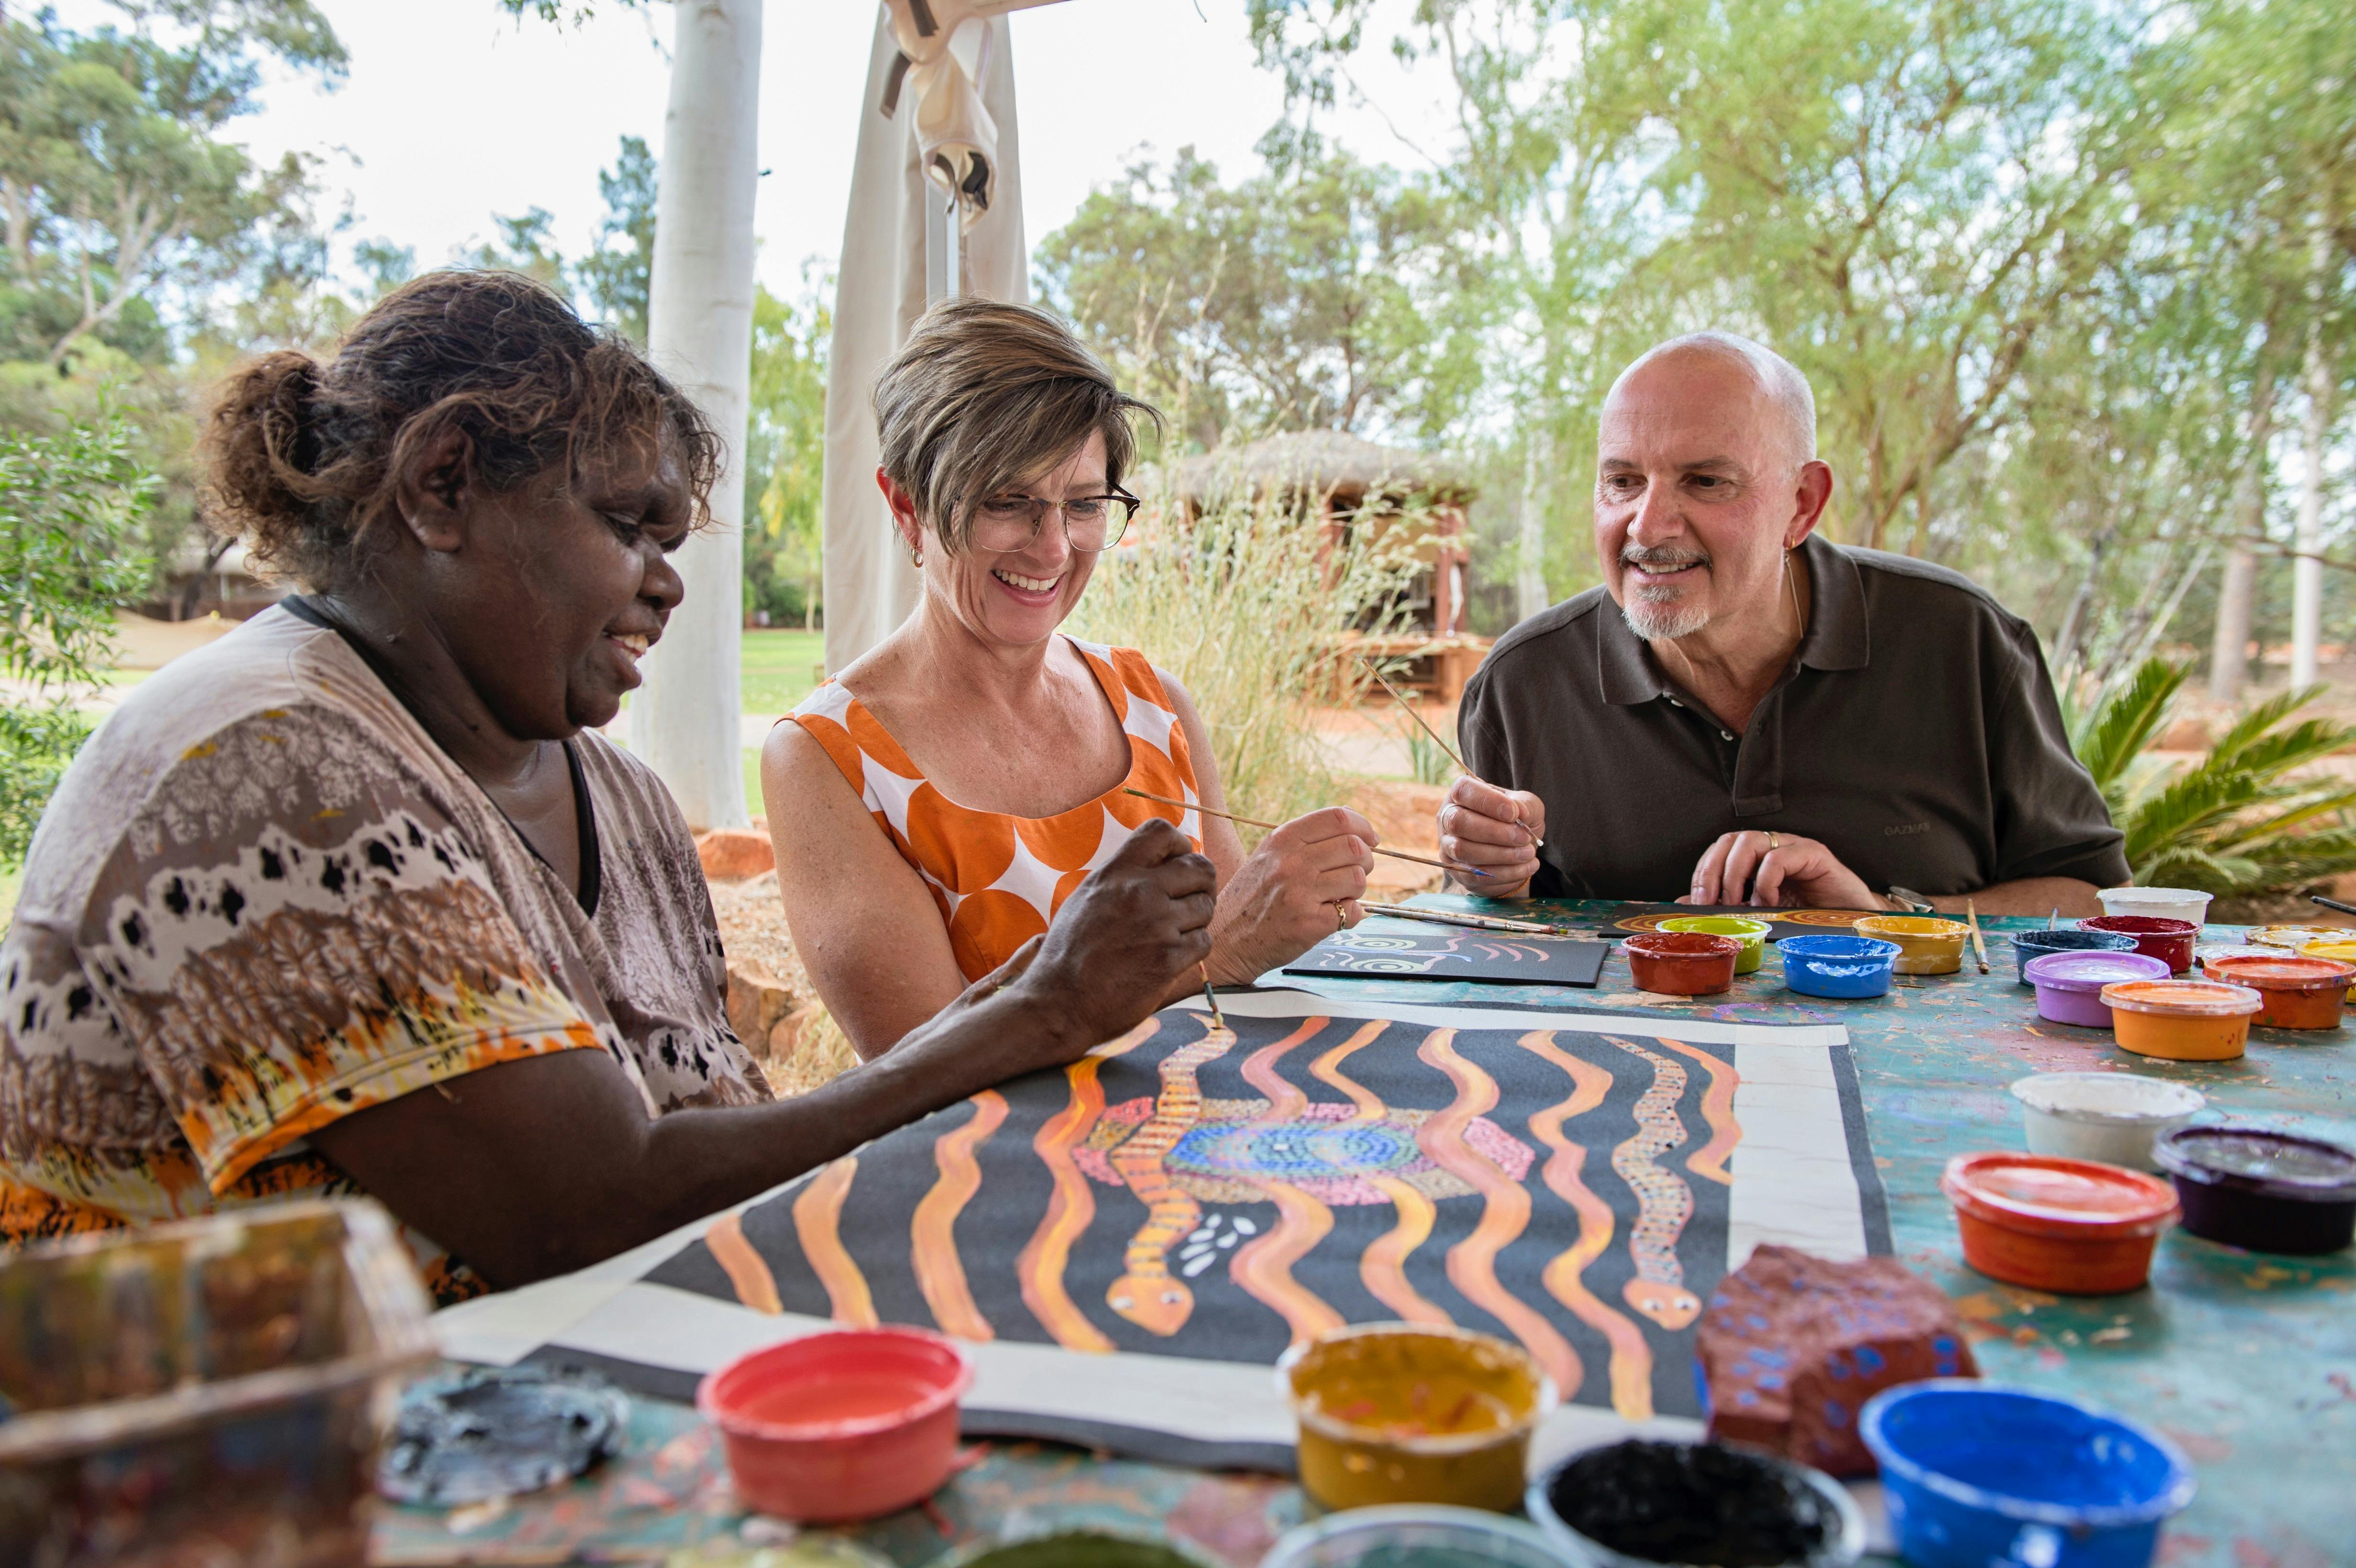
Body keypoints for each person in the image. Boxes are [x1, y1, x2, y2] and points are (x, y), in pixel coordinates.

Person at [0, 272, 1217, 1303]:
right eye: (628, 525)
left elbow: (704, 1131)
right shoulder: (263, 760)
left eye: (672, 543)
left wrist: (1053, 993)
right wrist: (1045, 1006)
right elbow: (582, 1209)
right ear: (443, 484)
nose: (666, 586)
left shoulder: (614, 797)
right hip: (220, 1473)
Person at [764, 298, 1377, 1060]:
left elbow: (1243, 989)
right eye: (1007, 502)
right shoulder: (830, 759)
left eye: (1084, 504)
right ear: (907, 505)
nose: (1053, 548)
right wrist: (1221, 950)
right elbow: (922, 1068)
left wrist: (1300, 904)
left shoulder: (1154, 704)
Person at [1442, 331, 2127, 915]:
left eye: (1706, 482)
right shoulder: (1523, 682)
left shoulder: (1962, 642)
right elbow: (1487, 924)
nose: (1647, 526)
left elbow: (2095, 898)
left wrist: (1883, 917)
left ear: (1802, 504)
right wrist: (1486, 875)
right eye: (1623, 482)